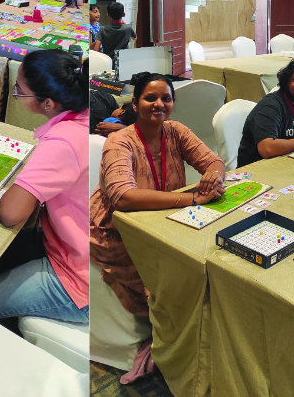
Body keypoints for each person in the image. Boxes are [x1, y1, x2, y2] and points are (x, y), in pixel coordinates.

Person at [92, 74, 226, 374]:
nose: (159, 104)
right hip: (120, 231)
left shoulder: (176, 131)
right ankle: (171, 346)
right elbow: (123, 198)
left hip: (165, 219)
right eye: (150, 98)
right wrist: (190, 200)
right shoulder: (119, 141)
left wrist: (214, 176)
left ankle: (192, 334)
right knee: (179, 274)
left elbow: (214, 161)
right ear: (135, 102)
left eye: (166, 98)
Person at [0, 49, 91, 324]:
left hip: (78, 281)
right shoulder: (84, 115)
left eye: (20, 90)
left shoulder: (64, 142)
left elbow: (12, 213)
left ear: (47, 103)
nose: (16, 94)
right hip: (67, 246)